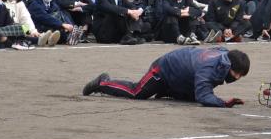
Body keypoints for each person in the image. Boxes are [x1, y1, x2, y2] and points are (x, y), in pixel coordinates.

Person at [82, 46, 250, 107]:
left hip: (181, 73)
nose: (238, 77)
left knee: (190, 96)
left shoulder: (224, 55)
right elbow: (204, 96)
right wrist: (223, 103)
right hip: (163, 69)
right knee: (137, 92)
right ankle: (103, 82)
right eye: (238, 74)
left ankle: (170, 90)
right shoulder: (208, 69)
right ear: (229, 67)